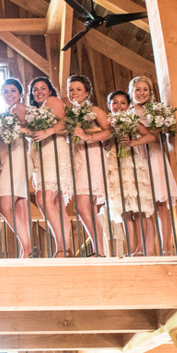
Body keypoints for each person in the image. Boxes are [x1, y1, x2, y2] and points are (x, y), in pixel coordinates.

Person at [129, 75, 177, 255]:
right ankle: (145, 248)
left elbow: (157, 135)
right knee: (143, 206)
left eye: (145, 90)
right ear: (131, 92)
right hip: (137, 158)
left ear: (151, 93)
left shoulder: (156, 111)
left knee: (160, 205)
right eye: (138, 89)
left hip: (154, 156)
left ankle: (166, 246)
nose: (141, 93)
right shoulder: (128, 114)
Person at [105, 90, 155, 256]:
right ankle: (131, 250)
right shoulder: (106, 121)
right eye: (115, 102)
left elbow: (150, 136)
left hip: (130, 163)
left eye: (123, 103)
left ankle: (141, 249)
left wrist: (132, 142)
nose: (119, 106)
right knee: (124, 212)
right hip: (113, 161)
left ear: (128, 106)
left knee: (138, 209)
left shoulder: (131, 120)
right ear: (109, 105)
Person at [66, 74, 111, 257]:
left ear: (86, 92)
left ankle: (99, 250)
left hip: (91, 155)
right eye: (71, 90)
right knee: (86, 207)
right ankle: (99, 250)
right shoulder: (69, 114)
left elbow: (109, 131)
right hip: (76, 158)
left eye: (78, 89)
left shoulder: (94, 110)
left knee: (84, 206)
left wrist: (88, 137)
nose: (74, 93)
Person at [27, 76, 71, 257]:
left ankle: (62, 248)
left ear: (50, 90)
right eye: (35, 89)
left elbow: (67, 121)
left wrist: (49, 131)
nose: (39, 92)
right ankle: (63, 248)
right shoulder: (34, 110)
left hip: (54, 151)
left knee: (44, 199)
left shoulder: (52, 101)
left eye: (42, 88)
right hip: (41, 156)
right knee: (55, 204)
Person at [0, 78, 33, 258]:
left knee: (4, 205)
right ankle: (25, 252)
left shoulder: (18, 108)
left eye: (13, 91)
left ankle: (27, 248)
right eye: (5, 91)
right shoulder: (5, 111)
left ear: (20, 94)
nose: (9, 94)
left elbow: (29, 124)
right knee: (18, 206)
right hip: (9, 159)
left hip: (17, 156)